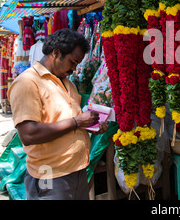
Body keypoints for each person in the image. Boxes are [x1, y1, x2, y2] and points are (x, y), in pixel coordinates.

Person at [8, 28, 109, 200]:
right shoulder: (27, 83)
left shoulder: (67, 83)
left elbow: (65, 121)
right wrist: (77, 122)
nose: (74, 69)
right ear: (56, 53)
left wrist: (91, 127)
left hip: (76, 170)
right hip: (48, 173)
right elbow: (28, 134)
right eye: (72, 62)